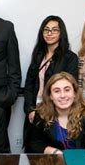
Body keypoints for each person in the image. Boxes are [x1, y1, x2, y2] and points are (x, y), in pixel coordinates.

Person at [24, 15, 78, 150]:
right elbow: (29, 83)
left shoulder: (69, 58)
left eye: (54, 30)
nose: (49, 33)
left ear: (61, 33)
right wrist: (30, 109)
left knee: (53, 150)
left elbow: (69, 88)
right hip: (35, 110)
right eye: (46, 30)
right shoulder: (38, 55)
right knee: (34, 149)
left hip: (56, 111)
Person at [27, 72, 85, 154]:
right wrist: (53, 151)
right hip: (53, 163)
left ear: (74, 93)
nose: (63, 95)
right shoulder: (41, 114)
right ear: (50, 96)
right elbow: (34, 143)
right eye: (57, 91)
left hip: (83, 164)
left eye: (67, 90)